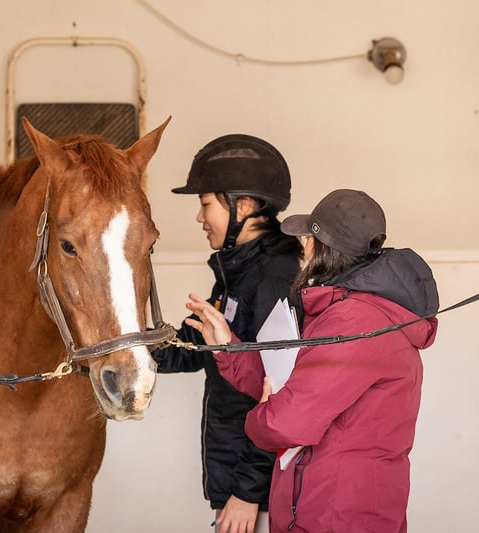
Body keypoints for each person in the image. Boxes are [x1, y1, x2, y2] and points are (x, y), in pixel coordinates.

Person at [185, 189, 439, 533]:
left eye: (308, 237)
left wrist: (258, 417)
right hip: (330, 508)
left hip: (336, 516)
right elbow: (289, 381)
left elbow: (285, 422)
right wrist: (225, 347)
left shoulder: (355, 321)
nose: (303, 246)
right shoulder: (352, 311)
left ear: (322, 247)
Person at [151, 134, 303, 533]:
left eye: (205, 205)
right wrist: (126, 343)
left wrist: (248, 493)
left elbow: (279, 395)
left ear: (245, 206)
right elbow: (191, 350)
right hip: (234, 478)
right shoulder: (234, 275)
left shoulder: (273, 280)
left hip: (256, 492)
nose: (200, 218)